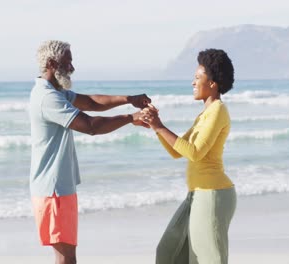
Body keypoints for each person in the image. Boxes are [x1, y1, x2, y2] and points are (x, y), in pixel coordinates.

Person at [29, 40, 150, 264]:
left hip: (56, 187)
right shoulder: (48, 98)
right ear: (52, 63)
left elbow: (92, 102)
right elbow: (90, 126)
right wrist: (130, 118)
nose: (72, 67)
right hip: (53, 189)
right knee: (67, 257)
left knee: (65, 256)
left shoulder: (56, 92)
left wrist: (129, 100)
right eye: (68, 62)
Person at [141, 49, 237, 264]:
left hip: (213, 194)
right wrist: (156, 127)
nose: (193, 82)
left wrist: (160, 126)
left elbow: (194, 153)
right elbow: (177, 151)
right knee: (168, 253)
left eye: (197, 77)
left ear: (212, 83)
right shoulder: (205, 114)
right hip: (196, 194)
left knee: (208, 259)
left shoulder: (218, 110)